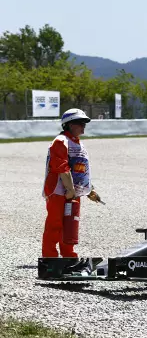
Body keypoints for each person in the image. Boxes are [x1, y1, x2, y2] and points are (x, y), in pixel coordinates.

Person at [42, 108, 102, 258]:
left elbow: (81, 171)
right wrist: (69, 189)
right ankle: (50, 258)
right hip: (58, 191)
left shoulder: (79, 144)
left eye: (84, 123)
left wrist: (89, 190)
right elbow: (61, 166)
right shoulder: (61, 141)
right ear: (69, 124)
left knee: (70, 225)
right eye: (80, 123)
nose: (83, 126)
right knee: (55, 225)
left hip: (73, 192)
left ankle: (68, 256)